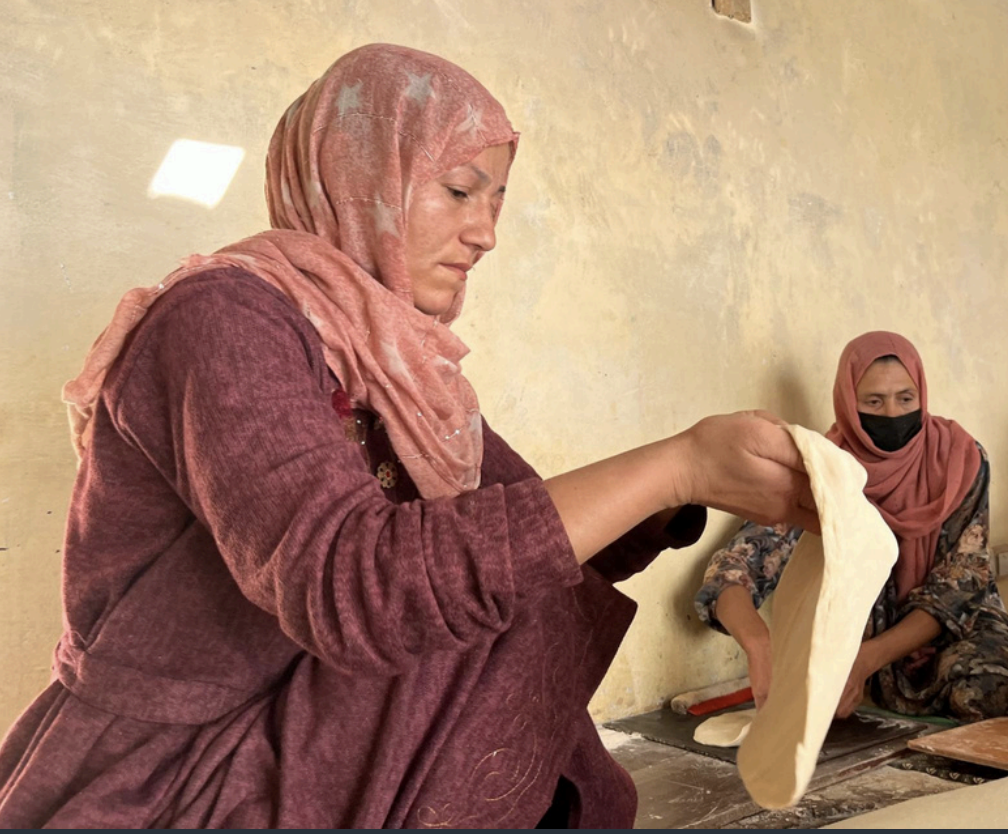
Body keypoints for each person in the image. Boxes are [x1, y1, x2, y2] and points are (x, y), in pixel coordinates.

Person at [0, 44, 818, 828]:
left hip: (318, 747)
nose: (487, 232)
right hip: (183, 777)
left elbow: (520, 531)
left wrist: (709, 483)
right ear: (359, 173)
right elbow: (357, 584)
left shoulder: (390, 360)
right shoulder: (222, 321)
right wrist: (674, 467)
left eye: (497, 198)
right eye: (460, 190)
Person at [695, 330, 1008, 724]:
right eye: (874, 401)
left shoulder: (960, 460)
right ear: (848, 403)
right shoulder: (821, 470)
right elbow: (737, 567)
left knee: (990, 692)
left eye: (905, 398)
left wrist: (866, 660)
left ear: (922, 395)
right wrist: (758, 644)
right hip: (858, 640)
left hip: (956, 630)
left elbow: (958, 586)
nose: (892, 413)